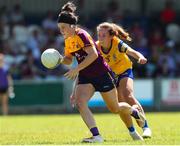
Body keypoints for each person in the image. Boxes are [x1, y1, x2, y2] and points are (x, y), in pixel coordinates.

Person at [57, 2, 145, 143]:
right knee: (80, 103)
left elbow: (93, 55)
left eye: (63, 27)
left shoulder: (82, 35)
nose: (61, 31)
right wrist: (60, 59)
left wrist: (76, 69)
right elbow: (69, 59)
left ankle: (134, 112)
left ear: (72, 26)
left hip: (101, 74)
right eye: (59, 28)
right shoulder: (68, 40)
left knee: (115, 108)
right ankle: (97, 136)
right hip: (86, 76)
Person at [96, 22, 152, 138]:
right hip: (111, 76)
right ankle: (132, 131)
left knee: (128, 95)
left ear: (111, 36)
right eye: (99, 35)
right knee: (120, 104)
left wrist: (140, 57)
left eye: (103, 35)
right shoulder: (96, 48)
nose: (100, 38)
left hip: (124, 70)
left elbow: (131, 52)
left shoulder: (117, 43)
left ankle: (145, 127)